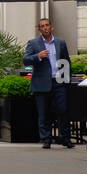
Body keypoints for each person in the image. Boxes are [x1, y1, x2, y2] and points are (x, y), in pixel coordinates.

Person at [24, 16, 74, 149]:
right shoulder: (33, 43)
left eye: (47, 25)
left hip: (59, 81)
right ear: (39, 29)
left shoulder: (60, 42)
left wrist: (67, 79)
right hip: (42, 82)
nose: (45, 27)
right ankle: (46, 139)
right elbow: (26, 60)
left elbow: (67, 61)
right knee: (44, 112)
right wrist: (38, 56)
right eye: (42, 26)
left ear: (52, 27)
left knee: (63, 111)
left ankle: (65, 138)